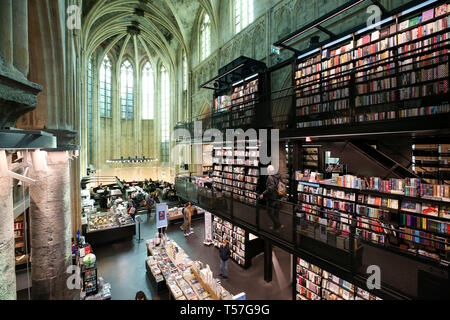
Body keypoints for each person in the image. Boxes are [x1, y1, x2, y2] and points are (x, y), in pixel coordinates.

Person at [259, 165, 283, 232]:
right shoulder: (279, 175)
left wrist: (263, 193)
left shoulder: (270, 177)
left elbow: (271, 188)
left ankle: (278, 224)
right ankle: (276, 228)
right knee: (276, 212)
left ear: (269, 170)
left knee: (269, 212)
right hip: (278, 196)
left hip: (272, 197)